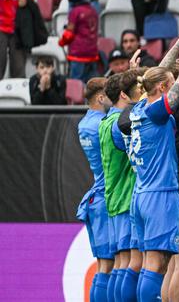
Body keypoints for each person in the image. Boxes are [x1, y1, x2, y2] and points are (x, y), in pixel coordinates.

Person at [126, 13, 179, 301]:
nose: (177, 84)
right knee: (157, 265)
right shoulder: (158, 111)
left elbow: (154, 76)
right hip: (159, 195)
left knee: (154, 264)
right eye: (170, 83)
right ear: (163, 89)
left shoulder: (138, 108)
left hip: (140, 194)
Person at [99, 70, 142, 301]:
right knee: (130, 262)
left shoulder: (106, 121)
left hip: (114, 197)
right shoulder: (119, 124)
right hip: (126, 198)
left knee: (120, 262)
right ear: (124, 95)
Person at [76, 77, 113, 302]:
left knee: (103, 264)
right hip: (106, 196)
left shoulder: (85, 123)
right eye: (111, 93)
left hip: (96, 197)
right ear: (100, 97)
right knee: (109, 265)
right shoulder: (102, 125)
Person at [58, 0, 100, 81]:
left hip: (78, 55)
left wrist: (62, 42)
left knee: (76, 84)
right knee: (92, 85)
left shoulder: (75, 12)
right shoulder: (94, 10)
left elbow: (69, 33)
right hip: (92, 54)